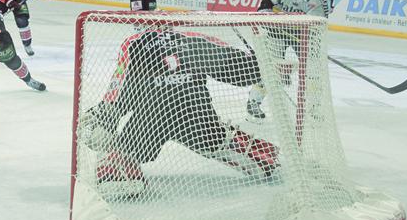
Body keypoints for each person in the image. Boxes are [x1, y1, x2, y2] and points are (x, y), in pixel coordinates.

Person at [78, 28, 279, 198]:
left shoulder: (134, 42)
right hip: (190, 115)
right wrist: (258, 65)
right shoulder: (194, 38)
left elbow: (122, 88)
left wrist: (104, 117)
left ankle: (118, 166)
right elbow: (237, 70)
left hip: (153, 117)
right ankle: (258, 155)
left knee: (122, 147)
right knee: (214, 140)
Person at [247, 0, 336, 119]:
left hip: (301, 33)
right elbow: (265, 0)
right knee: (271, 69)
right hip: (277, 30)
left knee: (313, 69)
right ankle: (254, 101)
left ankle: (314, 106)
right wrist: (266, 10)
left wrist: (311, 42)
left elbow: (319, 24)